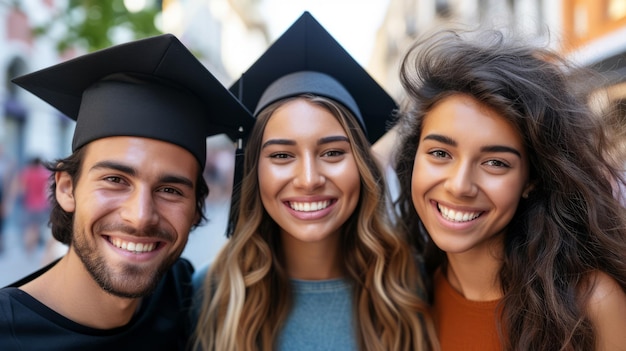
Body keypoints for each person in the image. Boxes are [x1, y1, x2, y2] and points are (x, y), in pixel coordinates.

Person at [192, 12, 437, 351]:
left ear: (362, 166)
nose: (309, 180)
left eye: (333, 153)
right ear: (254, 171)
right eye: (281, 156)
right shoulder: (210, 293)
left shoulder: (413, 285)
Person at [0, 34, 253, 350]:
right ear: (67, 188)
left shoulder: (183, 295)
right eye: (115, 180)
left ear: (196, 208)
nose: (140, 216)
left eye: (170, 189)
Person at [392, 28, 626, 350]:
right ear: (413, 157)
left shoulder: (590, 303)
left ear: (531, 178)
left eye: (495, 163)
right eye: (440, 154)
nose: (459, 186)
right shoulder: (407, 296)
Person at [18, 156, 52, 253]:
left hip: (29, 204)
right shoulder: (44, 174)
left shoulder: (27, 173)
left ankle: (29, 246)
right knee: (37, 227)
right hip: (42, 205)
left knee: (29, 226)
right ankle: (33, 245)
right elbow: (49, 189)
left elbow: (22, 189)